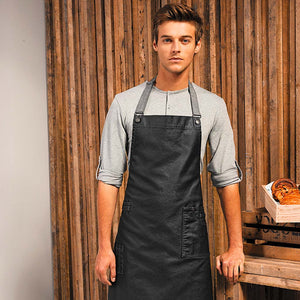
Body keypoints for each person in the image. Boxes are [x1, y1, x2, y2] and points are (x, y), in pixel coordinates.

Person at [95, 3, 244, 299]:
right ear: (155, 44)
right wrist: (103, 248)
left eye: (184, 40)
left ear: (197, 46)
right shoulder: (124, 104)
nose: (176, 48)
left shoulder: (213, 106)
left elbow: (226, 179)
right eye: (167, 40)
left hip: (188, 248)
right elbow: (109, 178)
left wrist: (235, 246)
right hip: (134, 247)